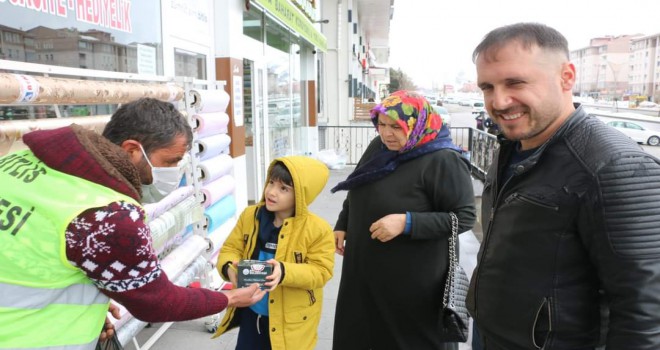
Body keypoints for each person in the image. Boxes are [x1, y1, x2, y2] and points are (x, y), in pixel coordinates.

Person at [0, 98, 265, 349]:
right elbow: (157, 302)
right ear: (132, 151)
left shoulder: (19, 162)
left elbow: (30, 251)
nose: (174, 173)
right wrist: (229, 297)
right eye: (170, 161)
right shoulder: (109, 215)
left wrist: (87, 304)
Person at [467, 22, 660, 350]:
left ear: (567, 77)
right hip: (493, 335)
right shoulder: (513, 147)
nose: (498, 101)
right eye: (487, 87)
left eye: (515, 82)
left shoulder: (613, 165)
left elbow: (646, 310)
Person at [331, 90, 476, 350]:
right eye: (382, 125)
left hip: (412, 284)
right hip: (363, 274)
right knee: (360, 336)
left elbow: (464, 217)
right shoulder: (380, 147)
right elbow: (358, 185)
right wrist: (343, 222)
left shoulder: (443, 159)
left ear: (416, 123)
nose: (386, 134)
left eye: (396, 127)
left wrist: (407, 223)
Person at [213, 156, 335, 350]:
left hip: (292, 321)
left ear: (302, 195)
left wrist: (284, 271)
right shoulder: (250, 216)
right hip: (252, 312)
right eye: (271, 182)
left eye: (283, 188)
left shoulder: (318, 230)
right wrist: (230, 269)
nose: (271, 192)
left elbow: (321, 271)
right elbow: (230, 249)